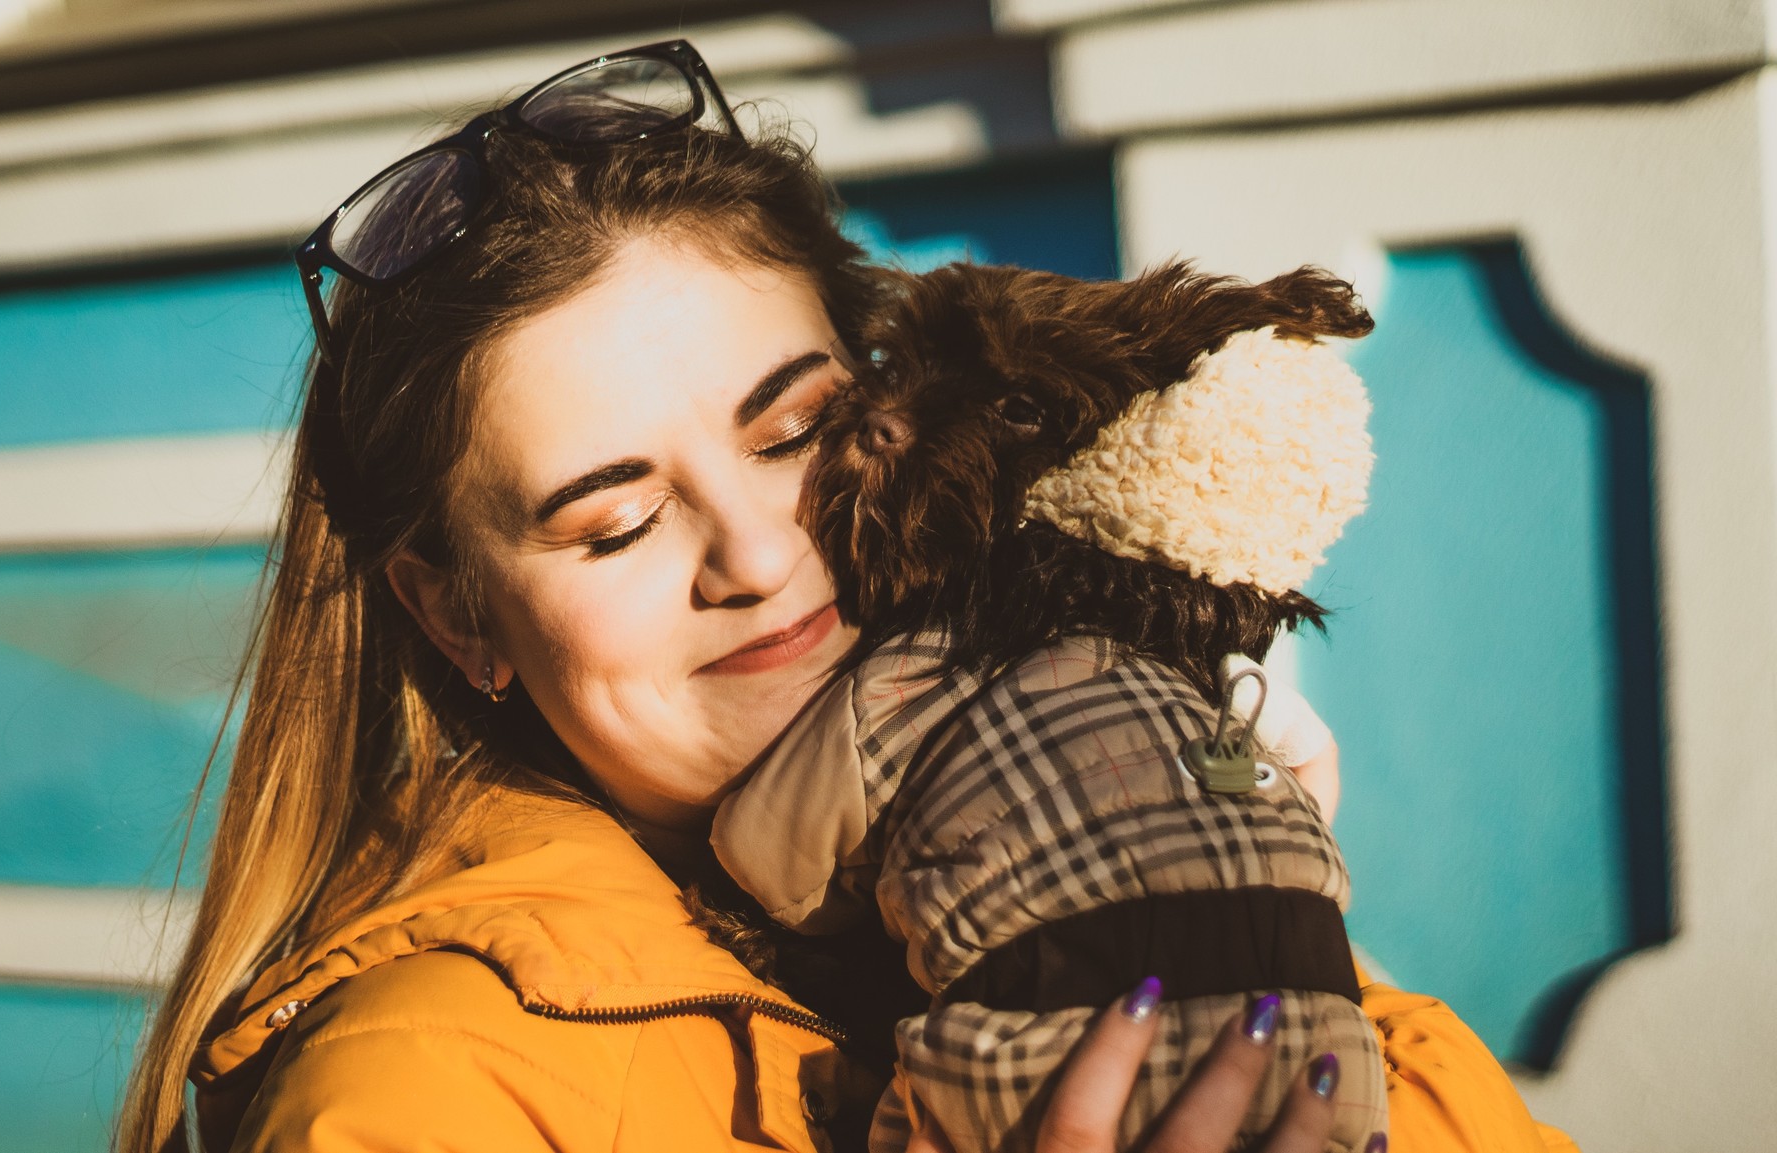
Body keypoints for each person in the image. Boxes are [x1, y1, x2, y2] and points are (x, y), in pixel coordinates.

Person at [114, 40, 1577, 1153]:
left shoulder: (1150, 845)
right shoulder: (432, 1092)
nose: (756, 551)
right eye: (615, 520)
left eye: (798, 429)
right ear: (458, 617)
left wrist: (1273, 920)